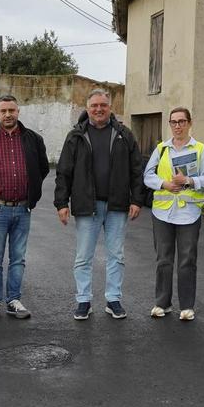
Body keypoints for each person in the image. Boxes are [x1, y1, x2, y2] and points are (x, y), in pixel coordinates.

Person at [54, 88, 144, 320]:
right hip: (87, 205)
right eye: (94, 105)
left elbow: (137, 169)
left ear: (110, 107)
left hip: (117, 205)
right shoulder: (76, 136)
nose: (99, 109)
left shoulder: (124, 134)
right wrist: (61, 203)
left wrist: (137, 199)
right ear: (87, 108)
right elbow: (64, 171)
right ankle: (83, 300)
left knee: (117, 256)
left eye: (103, 105)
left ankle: (113, 299)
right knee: (83, 257)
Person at [0, 95, 49, 321]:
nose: (7, 115)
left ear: (18, 112)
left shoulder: (32, 139)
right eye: (3, 111)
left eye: (11, 110)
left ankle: (14, 300)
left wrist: (31, 191)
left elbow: (42, 168)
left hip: (23, 209)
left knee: (18, 258)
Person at [142, 107, 204, 321]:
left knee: (187, 260)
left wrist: (189, 181)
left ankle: (187, 306)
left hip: (189, 213)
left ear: (189, 123)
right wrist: (163, 184)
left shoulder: (200, 149)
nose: (177, 126)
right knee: (163, 259)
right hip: (163, 212)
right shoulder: (161, 149)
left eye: (182, 121)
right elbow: (147, 175)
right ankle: (162, 303)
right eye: (173, 122)